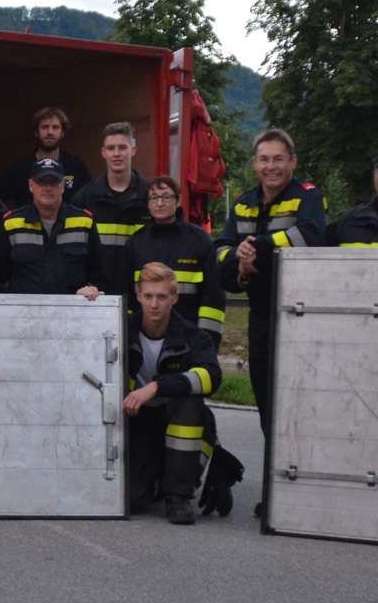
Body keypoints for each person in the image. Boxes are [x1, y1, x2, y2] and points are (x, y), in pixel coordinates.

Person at [214, 128, 329, 441]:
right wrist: (238, 259)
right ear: (255, 163)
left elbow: (311, 236)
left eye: (279, 159)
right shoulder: (243, 203)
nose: (271, 166)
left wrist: (258, 248)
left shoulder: (307, 197)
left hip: (301, 315)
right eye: (264, 159)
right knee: (267, 404)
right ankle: (272, 466)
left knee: (301, 404)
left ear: (293, 161)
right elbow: (220, 248)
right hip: (261, 316)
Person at [121, 263, 223, 526]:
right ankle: (158, 480)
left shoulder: (193, 336)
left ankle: (178, 497)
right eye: (148, 296)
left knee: (190, 400)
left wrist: (156, 387)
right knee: (133, 500)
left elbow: (212, 377)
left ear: (174, 298)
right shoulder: (122, 330)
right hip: (139, 419)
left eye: (162, 297)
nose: (154, 304)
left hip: (178, 419)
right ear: (138, 296)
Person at [125, 175, 226, 341]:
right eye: (154, 198)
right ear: (148, 203)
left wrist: (207, 341)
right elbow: (126, 295)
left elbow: (213, 297)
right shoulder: (136, 242)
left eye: (166, 197)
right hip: (144, 339)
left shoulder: (199, 240)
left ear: (178, 200)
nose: (160, 203)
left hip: (189, 338)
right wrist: (129, 335)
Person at [0, 158, 102, 298]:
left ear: (63, 186)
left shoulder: (84, 223)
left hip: (71, 309)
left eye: (54, 182)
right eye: (42, 182)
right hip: (24, 309)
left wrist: (87, 291)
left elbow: (97, 274)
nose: (48, 188)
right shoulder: (11, 224)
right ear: (31, 185)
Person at [73, 121, 149, 300]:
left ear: (133, 150)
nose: (116, 154)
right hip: (96, 297)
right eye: (110, 148)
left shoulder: (150, 197)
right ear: (103, 152)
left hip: (141, 297)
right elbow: (74, 253)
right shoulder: (84, 198)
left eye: (122, 147)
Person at [0, 105, 92, 208]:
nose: (50, 132)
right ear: (36, 132)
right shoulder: (19, 169)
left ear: (62, 133)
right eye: (45, 127)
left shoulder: (76, 166)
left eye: (55, 127)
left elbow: (90, 200)